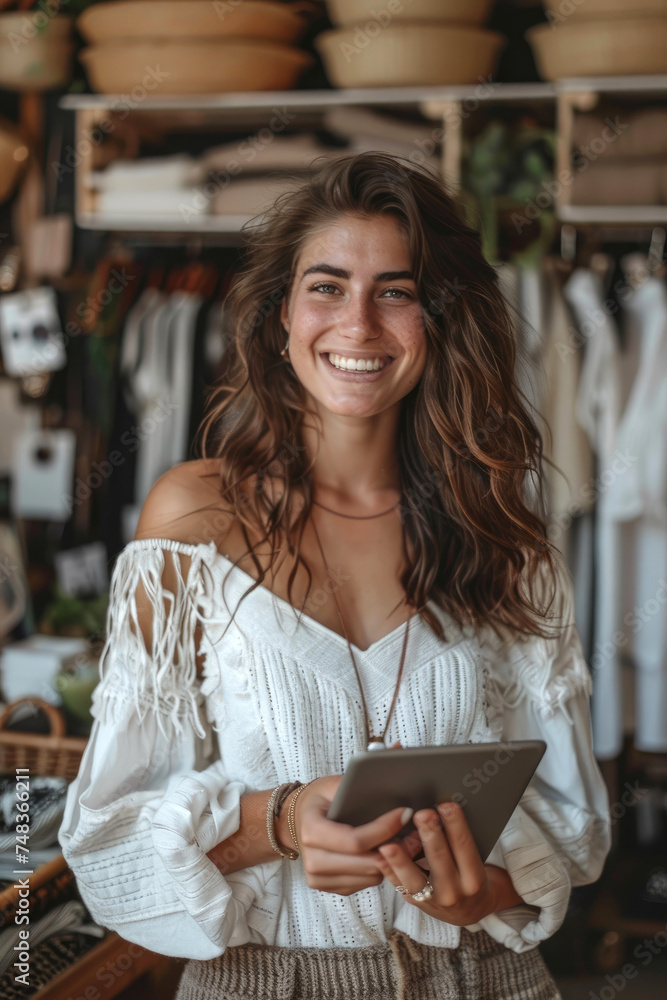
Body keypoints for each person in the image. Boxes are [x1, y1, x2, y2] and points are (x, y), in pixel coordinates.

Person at [58, 152, 611, 999]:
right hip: (264, 980)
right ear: (282, 312)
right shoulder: (193, 523)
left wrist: (479, 892)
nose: (357, 325)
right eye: (326, 286)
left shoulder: (505, 540)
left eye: (395, 291)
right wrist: (276, 823)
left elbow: (570, 828)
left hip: (483, 976)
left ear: (439, 318)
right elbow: (108, 837)